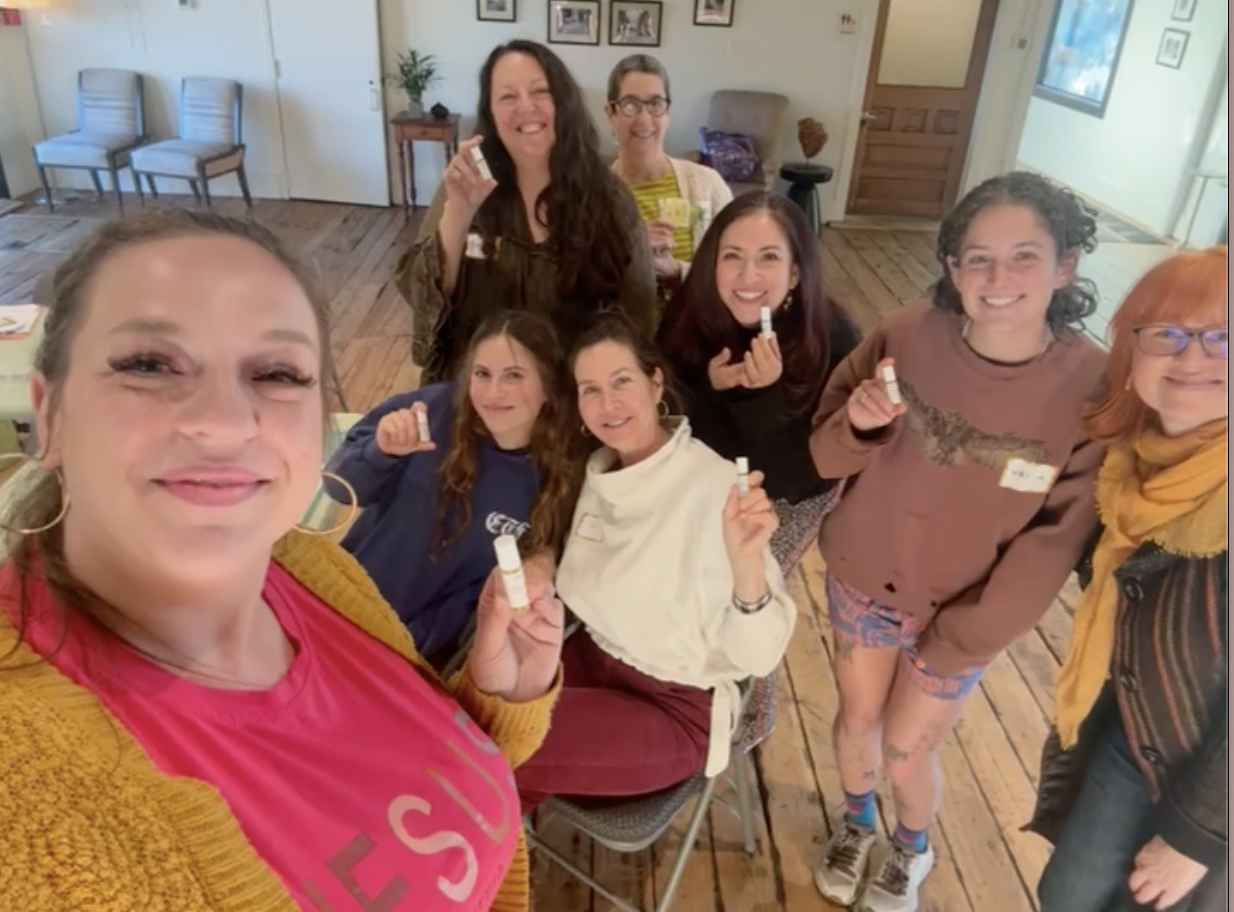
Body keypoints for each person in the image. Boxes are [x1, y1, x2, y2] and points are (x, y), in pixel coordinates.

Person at [0, 210, 564, 912]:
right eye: (148, 363)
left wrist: (499, 703)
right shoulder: (26, 785)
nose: (224, 421)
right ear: (49, 414)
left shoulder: (310, 570)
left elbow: (421, 805)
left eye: (277, 373)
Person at [808, 171, 1109, 912]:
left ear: (1065, 265)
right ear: (952, 266)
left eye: (1024, 256)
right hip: (863, 579)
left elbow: (1055, 539)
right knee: (858, 723)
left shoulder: (1091, 387)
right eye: (978, 258)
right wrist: (859, 428)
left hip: (967, 611)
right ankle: (856, 824)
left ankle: (911, 847)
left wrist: (967, 636)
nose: (998, 280)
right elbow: (823, 451)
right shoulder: (907, 333)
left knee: (908, 753)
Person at [514, 314, 796, 810]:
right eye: (591, 389)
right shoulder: (599, 469)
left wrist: (747, 566)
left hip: (672, 704)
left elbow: (758, 658)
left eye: (622, 381)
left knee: (494, 745)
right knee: (475, 712)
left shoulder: (713, 486)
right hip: (588, 658)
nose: (608, 404)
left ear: (656, 383)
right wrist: (543, 558)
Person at [1030, 247, 1228, 912]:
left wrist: (1198, 837)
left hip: (1208, 777)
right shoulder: (1130, 464)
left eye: (1222, 337)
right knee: (1067, 894)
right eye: (1166, 333)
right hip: (1132, 729)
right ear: (1130, 352)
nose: (1192, 357)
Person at [326, 311, 582, 671]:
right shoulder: (431, 411)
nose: (493, 393)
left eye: (513, 376)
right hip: (332, 599)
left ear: (549, 386)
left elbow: (473, 602)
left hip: (400, 653)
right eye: (482, 374)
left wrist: (400, 645)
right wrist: (381, 451)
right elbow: (337, 485)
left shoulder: (555, 481)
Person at [397, 40, 657, 384]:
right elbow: (423, 301)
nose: (526, 107)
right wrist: (458, 214)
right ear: (491, 114)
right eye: (508, 97)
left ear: (563, 103)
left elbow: (639, 320)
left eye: (540, 92)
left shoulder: (611, 199)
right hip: (475, 394)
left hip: (571, 396)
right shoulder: (465, 185)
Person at [657, 190, 860, 573]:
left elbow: (800, 473)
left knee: (741, 584)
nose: (748, 276)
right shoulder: (691, 313)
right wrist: (712, 390)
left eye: (768, 257)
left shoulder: (833, 339)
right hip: (698, 475)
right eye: (732, 256)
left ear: (795, 272)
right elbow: (664, 418)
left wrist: (765, 397)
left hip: (785, 494)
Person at [605, 53, 733, 303]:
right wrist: (632, 251)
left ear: (668, 113)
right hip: (623, 327)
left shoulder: (707, 186)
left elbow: (734, 272)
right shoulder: (591, 196)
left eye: (655, 104)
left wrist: (677, 272)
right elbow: (581, 285)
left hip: (696, 326)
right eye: (630, 105)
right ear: (611, 114)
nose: (644, 119)